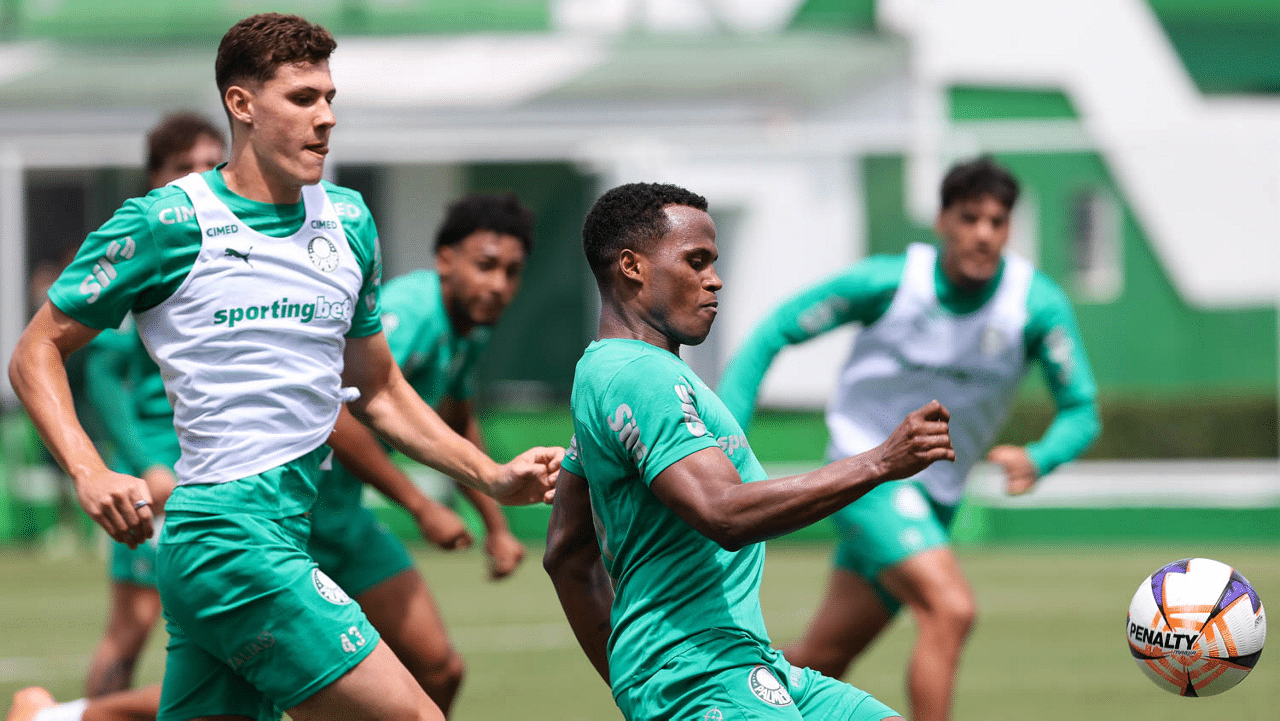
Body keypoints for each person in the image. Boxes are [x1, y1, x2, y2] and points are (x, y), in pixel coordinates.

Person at [7, 13, 557, 721]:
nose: (325, 118)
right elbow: (36, 350)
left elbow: (381, 389)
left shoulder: (349, 222)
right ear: (241, 105)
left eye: (330, 98)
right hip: (230, 537)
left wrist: (491, 475)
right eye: (302, 98)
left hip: (275, 532)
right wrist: (89, 468)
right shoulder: (167, 222)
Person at [542, 182, 955, 721]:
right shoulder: (641, 377)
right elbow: (723, 512)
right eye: (695, 261)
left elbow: (566, 552)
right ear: (631, 266)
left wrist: (635, 680)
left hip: (747, 665)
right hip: (701, 678)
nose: (714, 279)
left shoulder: (614, 375)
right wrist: (880, 462)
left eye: (712, 262)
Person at [716, 157, 1101, 721]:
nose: (984, 234)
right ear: (942, 221)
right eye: (970, 218)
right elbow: (773, 331)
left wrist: (1041, 457)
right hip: (864, 475)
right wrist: (729, 433)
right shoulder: (888, 282)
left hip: (936, 499)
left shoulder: (1035, 306)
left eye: (998, 221)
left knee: (822, 659)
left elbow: (1081, 410)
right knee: (952, 610)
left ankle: (725, 710)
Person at [80, 112, 227, 700]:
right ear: (155, 177)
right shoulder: (149, 249)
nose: (198, 177)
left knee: (217, 634)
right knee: (134, 624)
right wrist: (143, 462)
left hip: (217, 470)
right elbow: (99, 371)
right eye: (182, 167)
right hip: (161, 473)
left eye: (210, 165)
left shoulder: (228, 246)